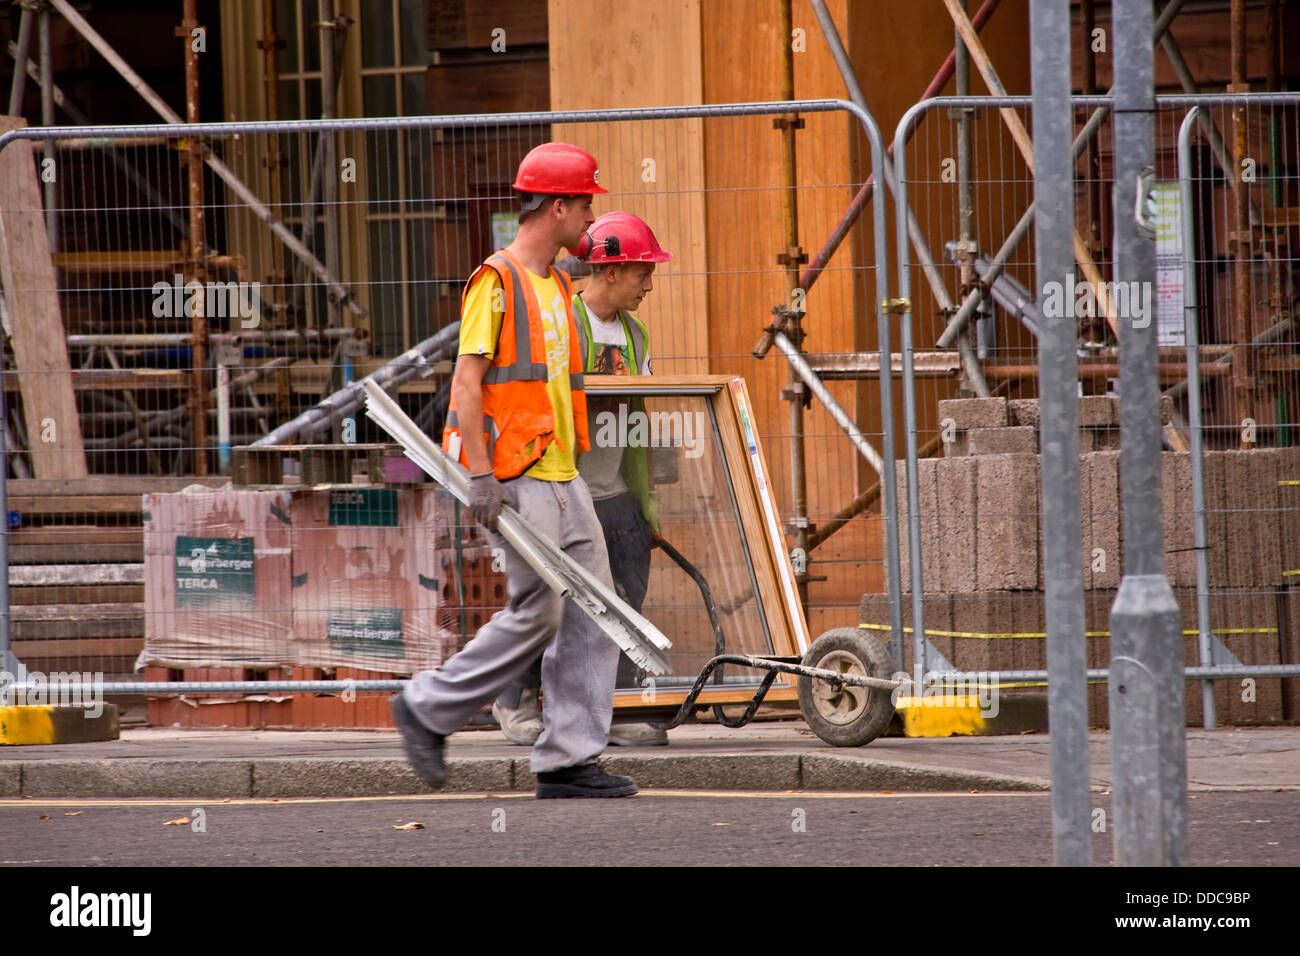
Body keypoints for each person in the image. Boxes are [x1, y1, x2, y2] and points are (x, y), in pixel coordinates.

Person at [390, 143, 638, 799]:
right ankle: (426, 707)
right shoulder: (494, 283)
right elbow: (466, 385)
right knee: (539, 612)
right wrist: (478, 475)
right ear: (557, 206)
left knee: (595, 611)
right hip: (515, 474)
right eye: (586, 204)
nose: (591, 219)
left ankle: (568, 760)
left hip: (562, 473)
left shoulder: (558, 285)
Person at [491, 211, 673, 747]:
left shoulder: (636, 335)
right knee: (544, 599)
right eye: (642, 272)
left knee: (624, 599)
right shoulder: (561, 319)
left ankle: (608, 706)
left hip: (615, 494)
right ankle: (515, 700)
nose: (649, 283)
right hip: (561, 486)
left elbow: (638, 421)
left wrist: (647, 505)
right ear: (611, 270)